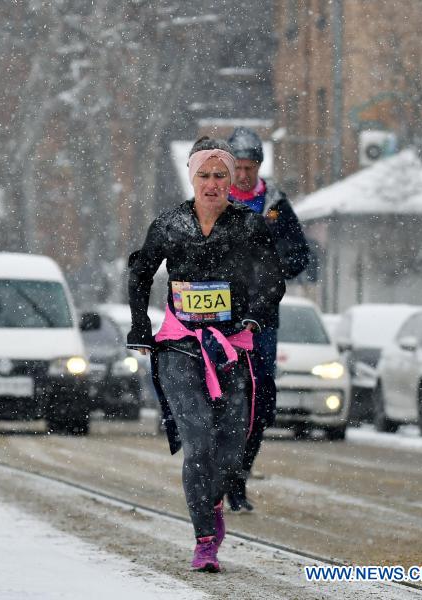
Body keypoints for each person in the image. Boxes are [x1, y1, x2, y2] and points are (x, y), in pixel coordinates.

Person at [128, 137, 284, 572]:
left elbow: (272, 280)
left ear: (231, 181)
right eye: (204, 175)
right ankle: (204, 542)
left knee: (231, 453)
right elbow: (140, 273)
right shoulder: (170, 224)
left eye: (220, 175)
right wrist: (140, 325)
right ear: (192, 178)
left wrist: (253, 317)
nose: (212, 184)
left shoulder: (249, 227)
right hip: (180, 346)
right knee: (198, 444)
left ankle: (213, 501)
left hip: (232, 348)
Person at [225, 127, 310, 512]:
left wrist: (271, 267)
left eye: (250, 168)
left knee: (261, 398)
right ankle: (215, 469)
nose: (244, 175)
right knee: (220, 393)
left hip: (263, 318)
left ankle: (240, 474)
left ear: (259, 167)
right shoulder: (215, 200)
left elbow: (300, 254)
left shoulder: (276, 205)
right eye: (238, 168)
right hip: (221, 317)